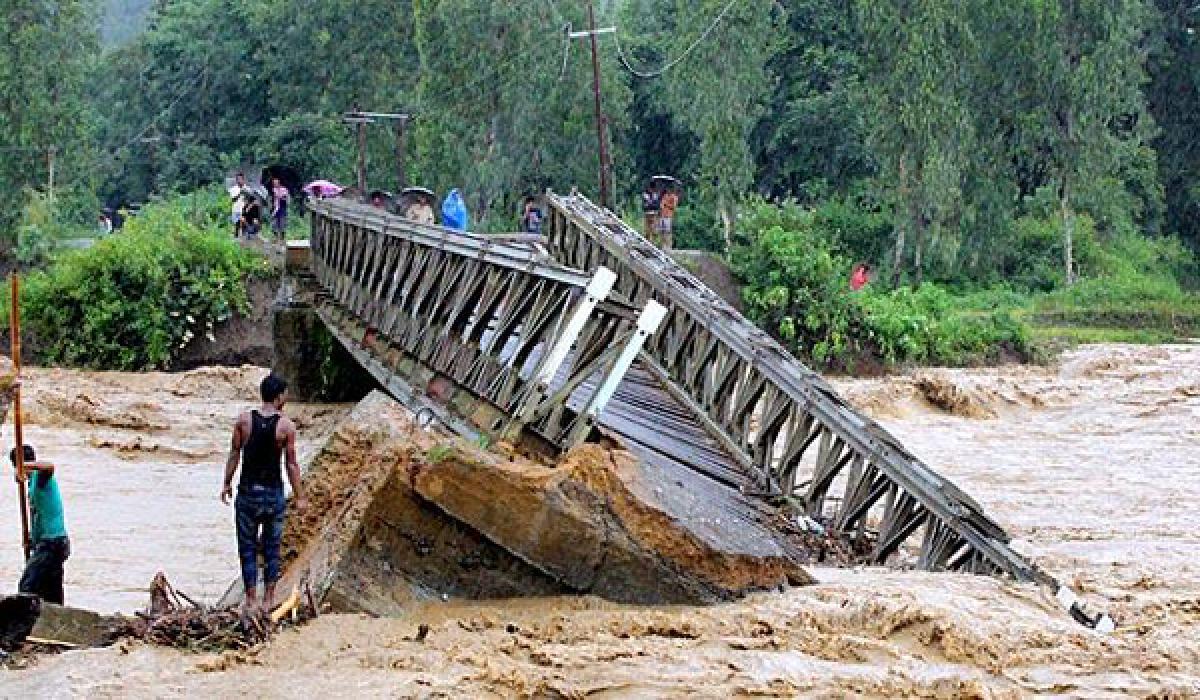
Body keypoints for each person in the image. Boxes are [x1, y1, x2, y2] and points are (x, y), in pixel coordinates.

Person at [221, 374, 305, 612]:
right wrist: (300, 496)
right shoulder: (286, 426)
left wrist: (226, 483)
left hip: (247, 493)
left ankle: (250, 600)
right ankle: (268, 600)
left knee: (246, 548)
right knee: (271, 549)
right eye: (285, 394)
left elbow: (234, 453)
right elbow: (291, 465)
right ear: (279, 397)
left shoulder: (243, 421)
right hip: (272, 496)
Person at [12, 445, 70, 605]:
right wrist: (32, 538)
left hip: (53, 543)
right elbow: (38, 514)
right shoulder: (31, 484)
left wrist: (23, 466)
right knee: (51, 591)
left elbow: (49, 466)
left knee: (27, 586)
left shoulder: (41, 477)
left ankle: (22, 625)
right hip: (48, 543)